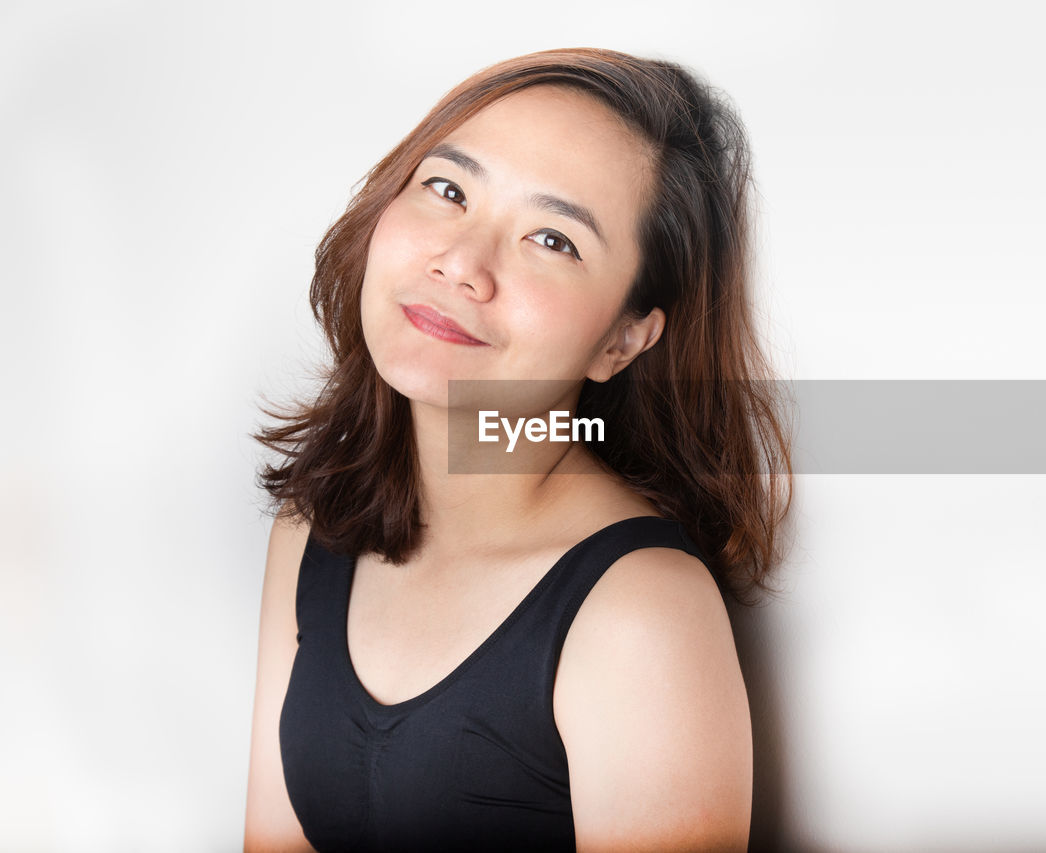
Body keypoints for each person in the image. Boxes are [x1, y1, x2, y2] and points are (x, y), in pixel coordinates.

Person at [244, 47, 792, 852]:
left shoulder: (641, 610)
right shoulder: (313, 527)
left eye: (553, 239)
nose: (461, 264)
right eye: (447, 189)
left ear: (623, 337)